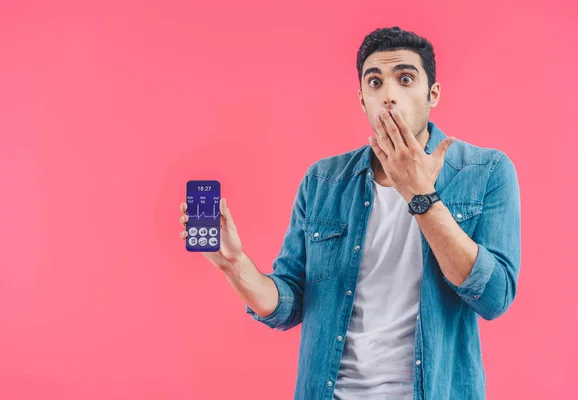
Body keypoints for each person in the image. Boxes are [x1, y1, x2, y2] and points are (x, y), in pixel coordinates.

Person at [179, 26, 521, 400]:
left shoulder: (485, 170)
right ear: (362, 100)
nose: (389, 95)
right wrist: (234, 265)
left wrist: (420, 195)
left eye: (405, 79)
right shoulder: (323, 181)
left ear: (432, 93)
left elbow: (494, 297)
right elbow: (288, 303)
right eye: (375, 83)